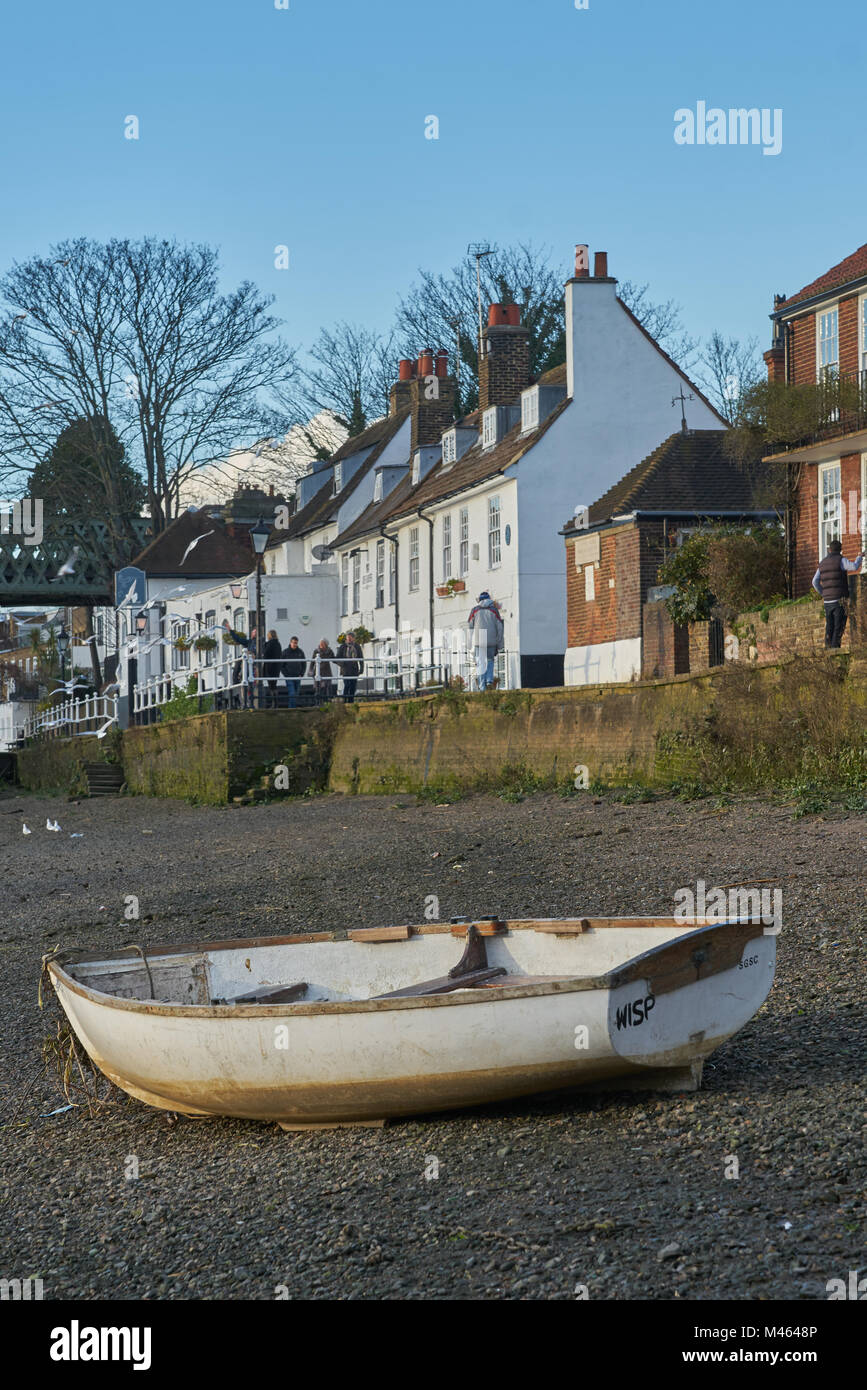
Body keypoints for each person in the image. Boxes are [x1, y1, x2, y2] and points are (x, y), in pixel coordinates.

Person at [812, 539, 863, 649]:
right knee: (838, 626)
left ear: (829, 550)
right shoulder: (840, 560)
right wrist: (859, 557)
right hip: (839, 599)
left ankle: (827, 648)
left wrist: (823, 593)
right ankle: (835, 650)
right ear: (841, 550)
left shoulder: (822, 563)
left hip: (827, 601)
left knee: (829, 626)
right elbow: (854, 567)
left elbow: (814, 582)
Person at [467, 591, 504, 691]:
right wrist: (500, 644)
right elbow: (500, 627)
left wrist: (469, 643)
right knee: (490, 660)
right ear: (489, 599)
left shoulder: (474, 610)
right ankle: (489, 681)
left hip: (480, 639)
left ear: (479, 600)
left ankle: (482, 687)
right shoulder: (494, 610)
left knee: (480, 663)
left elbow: (470, 627)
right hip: (491, 640)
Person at [223, 620, 255, 707]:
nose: (254, 633)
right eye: (253, 632)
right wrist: (230, 630)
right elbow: (237, 639)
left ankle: (249, 703)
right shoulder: (249, 642)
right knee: (244, 685)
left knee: (250, 686)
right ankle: (245, 704)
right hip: (246, 668)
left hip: (253, 669)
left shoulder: (258, 643)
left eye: (255, 632)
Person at [336, 631, 364, 702]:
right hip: (345, 670)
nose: (349, 639)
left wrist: (361, 668)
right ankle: (344, 701)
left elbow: (361, 658)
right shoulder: (343, 646)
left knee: (353, 686)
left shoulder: (357, 646)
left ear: (354, 639)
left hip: (354, 669)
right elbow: (337, 658)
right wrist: (342, 664)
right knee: (347, 684)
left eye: (350, 638)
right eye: (348, 638)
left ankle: (351, 701)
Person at [282, 636, 306, 708]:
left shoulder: (300, 652)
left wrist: (301, 674)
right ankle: (291, 709)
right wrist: (286, 674)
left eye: (296, 643)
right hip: (289, 676)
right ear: (290, 642)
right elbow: (281, 665)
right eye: (293, 643)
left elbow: (304, 664)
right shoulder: (285, 652)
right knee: (292, 693)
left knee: (296, 694)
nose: (295, 644)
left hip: (298, 676)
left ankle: (292, 708)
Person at [309, 638, 335, 702]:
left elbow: (334, 659)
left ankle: (328, 703)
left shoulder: (329, 651)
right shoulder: (316, 651)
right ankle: (318, 703)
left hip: (327, 672)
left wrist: (342, 663)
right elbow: (312, 661)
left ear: (326, 644)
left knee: (328, 688)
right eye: (320, 643)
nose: (321, 644)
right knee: (319, 689)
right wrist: (310, 670)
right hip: (318, 672)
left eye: (323, 643)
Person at [262, 629, 283, 707]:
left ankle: (274, 703)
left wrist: (264, 646)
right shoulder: (278, 644)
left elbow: (265, 654)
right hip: (276, 667)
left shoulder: (269, 644)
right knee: (274, 685)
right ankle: (276, 703)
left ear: (269, 635)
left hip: (270, 667)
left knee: (271, 686)